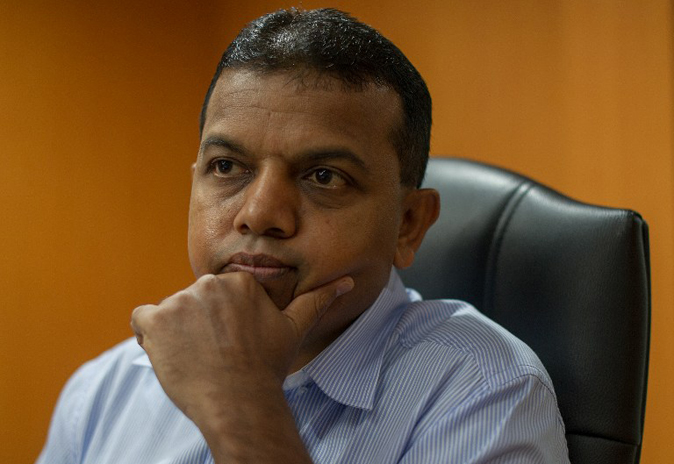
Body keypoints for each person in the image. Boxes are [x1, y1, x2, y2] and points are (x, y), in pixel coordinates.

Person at [37, 8, 569, 463]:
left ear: (408, 224)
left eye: (324, 176)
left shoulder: (486, 390)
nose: (259, 214)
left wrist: (241, 407)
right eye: (227, 167)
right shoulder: (102, 391)